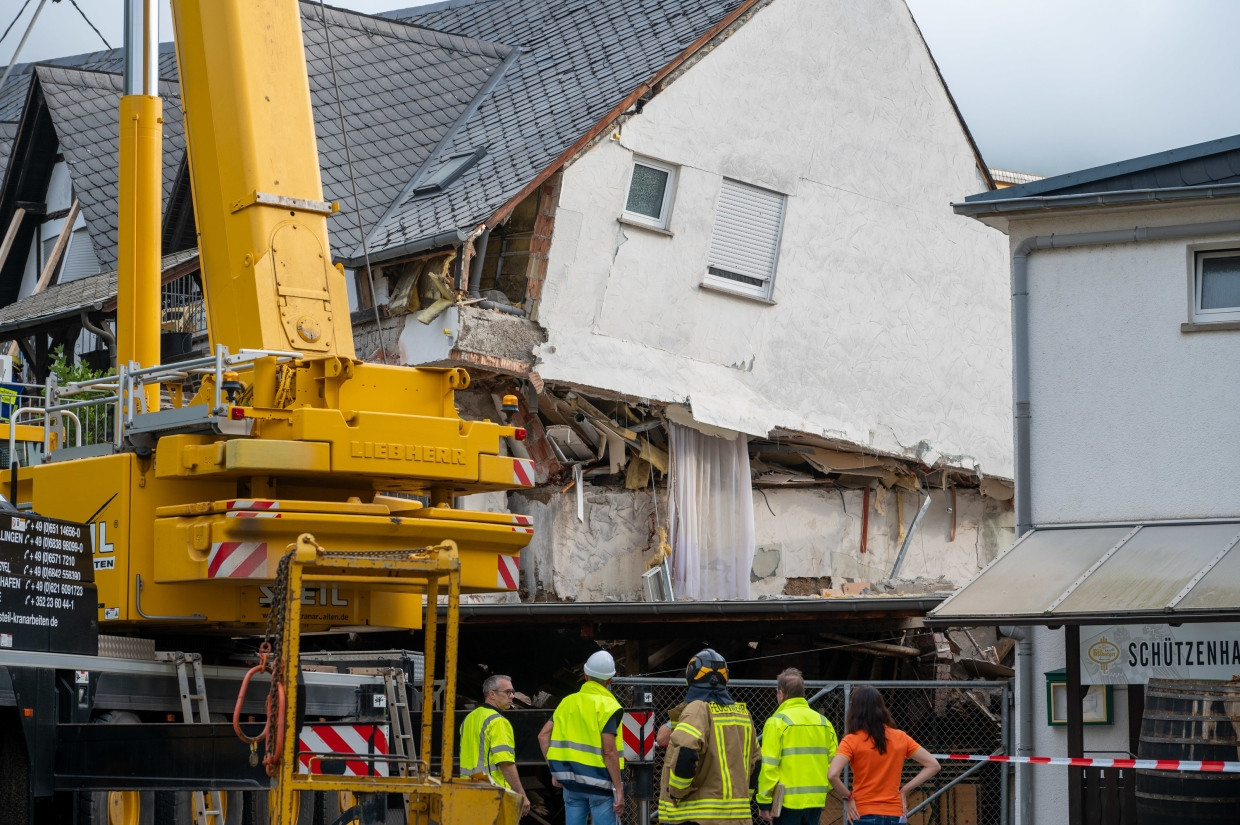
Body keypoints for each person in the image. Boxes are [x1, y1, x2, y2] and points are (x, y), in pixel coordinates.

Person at [658, 649, 760, 825]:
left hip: (697, 817)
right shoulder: (744, 714)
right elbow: (757, 763)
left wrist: (677, 791)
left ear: (691, 676)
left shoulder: (697, 709)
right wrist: (743, 795)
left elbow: (686, 751)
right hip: (737, 818)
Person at [827, 685, 940, 825]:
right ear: (881, 707)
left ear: (854, 710)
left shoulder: (851, 740)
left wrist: (849, 797)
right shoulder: (900, 737)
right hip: (894, 814)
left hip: (863, 812)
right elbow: (933, 765)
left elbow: (832, 775)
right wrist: (904, 790)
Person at [538, 651, 625, 825]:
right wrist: (619, 788)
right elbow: (609, 751)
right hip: (601, 785)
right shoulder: (609, 706)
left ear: (585, 675)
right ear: (610, 679)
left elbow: (543, 736)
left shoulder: (567, 702)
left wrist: (556, 770)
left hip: (571, 784)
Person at [756, 668, 839, 824]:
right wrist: (822, 789)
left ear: (781, 693)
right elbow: (833, 763)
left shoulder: (776, 722)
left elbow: (769, 767)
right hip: (816, 801)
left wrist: (765, 801)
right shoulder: (824, 723)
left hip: (785, 803)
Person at [459, 674, 530, 816]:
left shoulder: (470, 717)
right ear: (492, 694)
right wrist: (521, 795)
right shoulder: (498, 722)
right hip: (493, 794)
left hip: (468, 790)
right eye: (508, 692)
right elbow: (505, 763)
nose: (512, 696)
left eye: (513, 692)